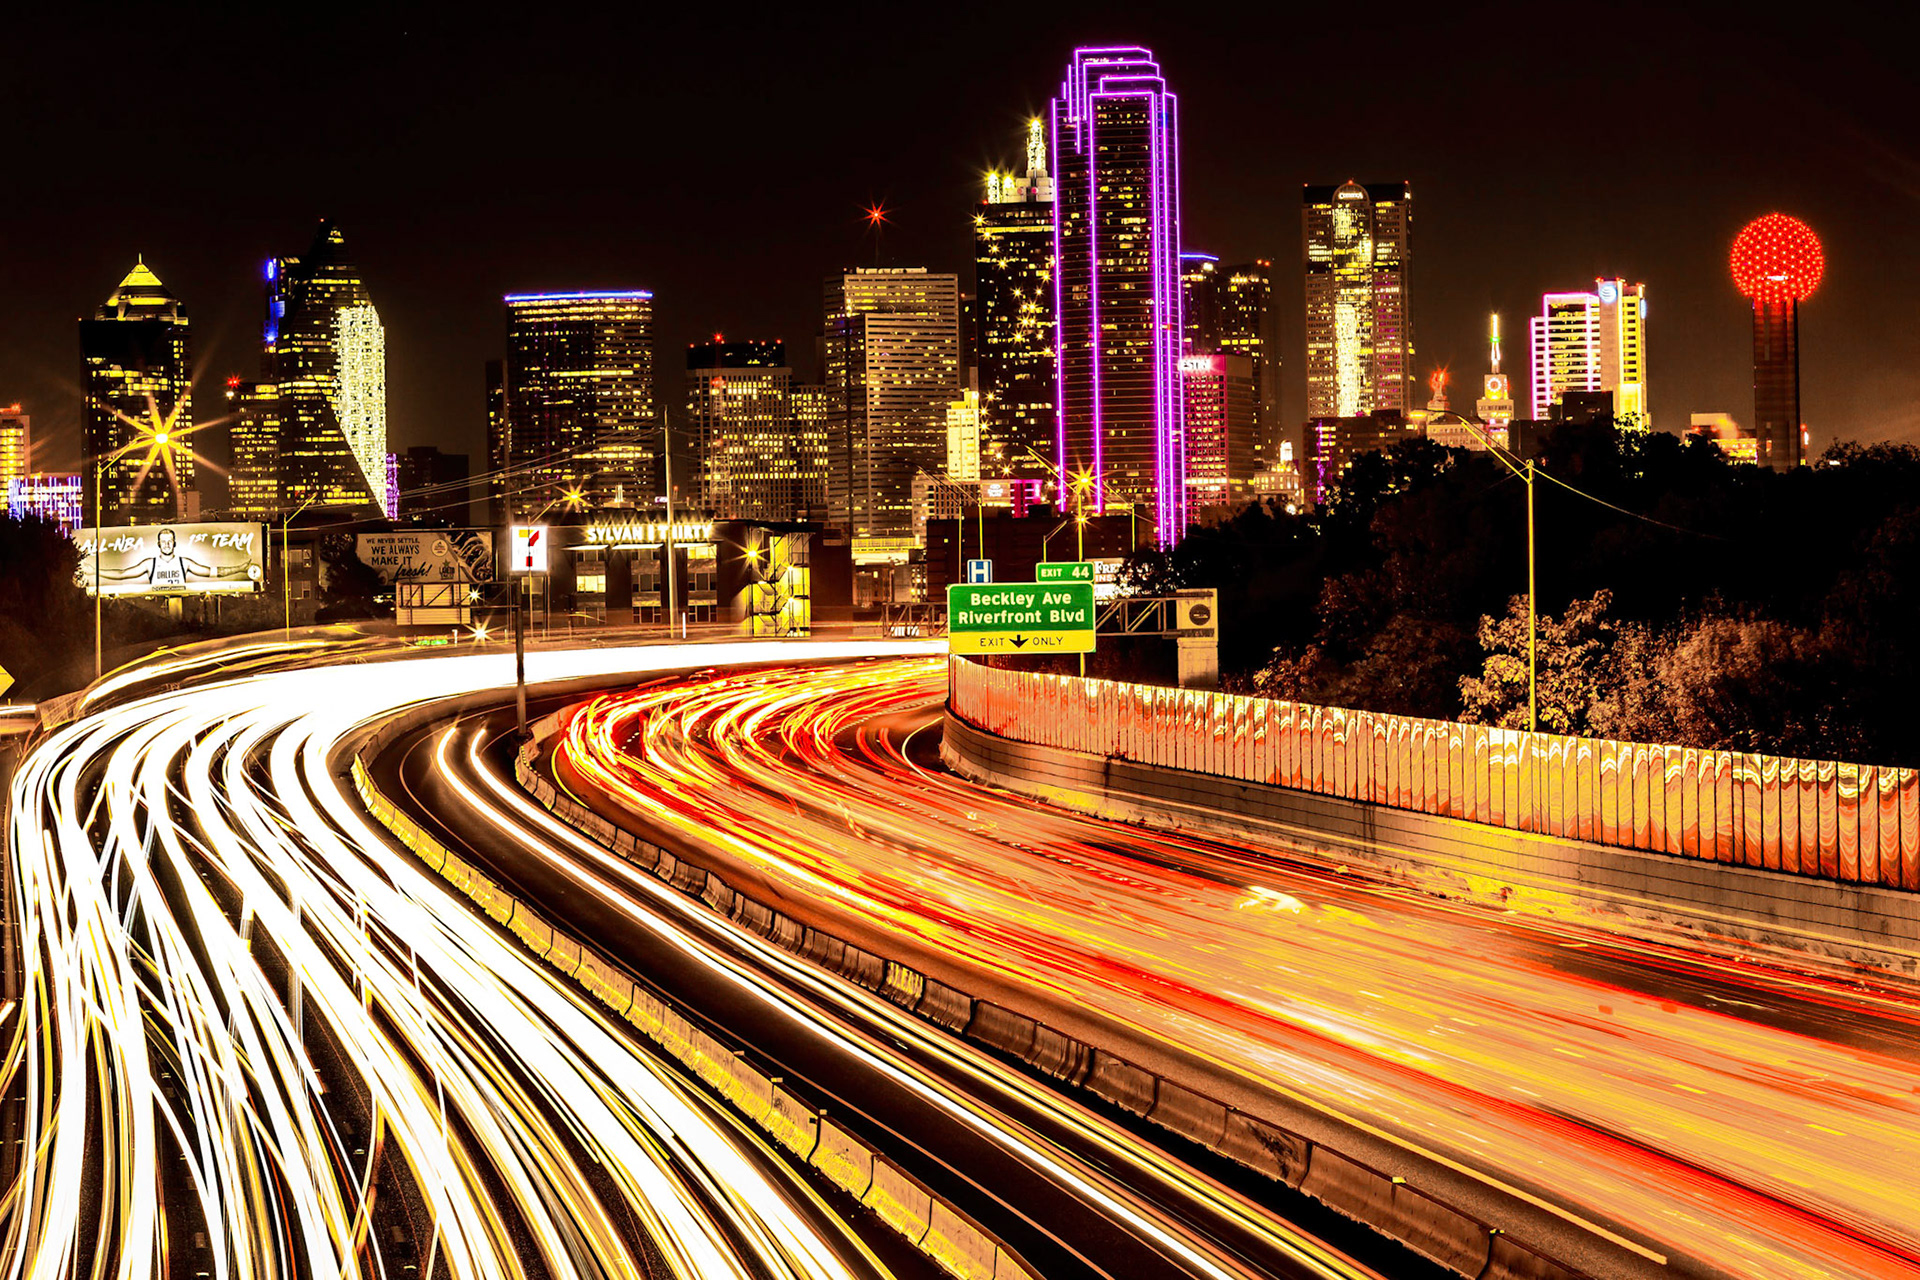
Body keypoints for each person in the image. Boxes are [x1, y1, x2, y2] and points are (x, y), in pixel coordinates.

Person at [97, 527, 255, 589]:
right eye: (163, 542)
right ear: (159, 544)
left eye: (169, 542)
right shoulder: (149, 564)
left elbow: (214, 572)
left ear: (174, 543)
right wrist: (96, 572)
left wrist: (240, 569)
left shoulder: (184, 562)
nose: (166, 545)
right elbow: (121, 574)